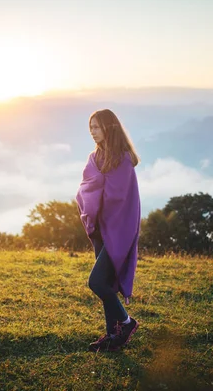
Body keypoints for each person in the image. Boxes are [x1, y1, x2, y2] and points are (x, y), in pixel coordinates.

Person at [75, 109, 141, 352]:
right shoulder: (96, 156)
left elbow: (120, 199)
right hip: (100, 229)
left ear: (109, 128)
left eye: (96, 127)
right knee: (106, 284)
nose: (92, 132)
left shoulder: (122, 159)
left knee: (96, 283)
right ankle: (112, 336)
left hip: (118, 232)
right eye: (90, 127)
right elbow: (88, 185)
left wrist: (98, 186)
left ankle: (127, 323)